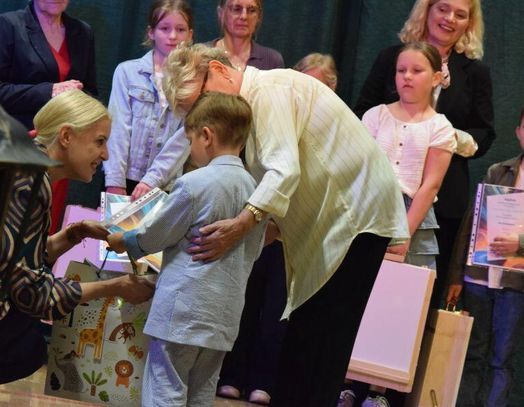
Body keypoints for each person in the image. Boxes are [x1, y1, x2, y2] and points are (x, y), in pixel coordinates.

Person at [163, 43, 409, 407]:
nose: (203, 114)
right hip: (332, 223)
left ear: (218, 70)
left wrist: (241, 226)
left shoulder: (269, 91)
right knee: (304, 344)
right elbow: (277, 198)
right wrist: (238, 241)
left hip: (355, 218)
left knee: (324, 344)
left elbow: (284, 171)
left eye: (201, 98)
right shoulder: (248, 111)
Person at [0, 90, 154, 386]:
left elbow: (17, 263)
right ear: (66, 136)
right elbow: (32, 294)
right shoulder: (28, 181)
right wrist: (114, 287)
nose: (106, 155)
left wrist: (76, 234)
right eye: (99, 141)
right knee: (28, 347)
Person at [106, 92, 266, 407]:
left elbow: (153, 236)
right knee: (201, 394)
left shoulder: (193, 184)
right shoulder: (257, 194)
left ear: (206, 136)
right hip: (224, 316)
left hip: (180, 314)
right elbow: (255, 249)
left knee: (165, 388)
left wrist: (123, 240)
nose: (190, 149)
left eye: (190, 140)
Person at [354, 0, 495, 308]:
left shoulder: (475, 72)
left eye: (460, 14)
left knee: (410, 301)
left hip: (441, 203)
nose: (450, 18)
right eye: (443, 9)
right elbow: (362, 110)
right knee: (359, 289)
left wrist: (446, 138)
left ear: (469, 23)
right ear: (427, 10)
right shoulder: (390, 57)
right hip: (378, 198)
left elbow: (485, 133)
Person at [347, 42, 456, 407]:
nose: (407, 77)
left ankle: (381, 392)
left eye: (417, 71)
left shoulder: (440, 127)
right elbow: (361, 170)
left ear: (436, 78)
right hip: (370, 210)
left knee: (399, 307)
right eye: (401, 70)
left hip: (412, 217)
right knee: (359, 296)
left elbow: (430, 185)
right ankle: (350, 384)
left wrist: (403, 231)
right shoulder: (376, 116)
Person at [205, 2, 285, 404]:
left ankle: (256, 376)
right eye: (235, 7)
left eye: (251, 9)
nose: (242, 15)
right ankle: (224, 371)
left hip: (259, 180)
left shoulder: (271, 63)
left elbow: (278, 153)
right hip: (221, 175)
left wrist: (250, 217)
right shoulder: (206, 56)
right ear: (221, 11)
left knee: (263, 288)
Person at [0, 0, 99, 235]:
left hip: (61, 154)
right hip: (15, 151)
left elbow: (90, 92)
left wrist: (77, 98)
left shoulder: (83, 32)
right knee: (5, 234)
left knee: (43, 229)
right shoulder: (9, 25)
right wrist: (50, 91)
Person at [446, 108, 524, 406]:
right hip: (479, 278)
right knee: (472, 354)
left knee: (502, 359)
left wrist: (519, 245)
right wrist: (456, 276)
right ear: (518, 132)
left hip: (516, 286)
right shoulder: (497, 171)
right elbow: (471, 225)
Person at [103, 0, 193, 201]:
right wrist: (115, 181)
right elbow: (118, 128)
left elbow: (184, 137)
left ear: (190, 35)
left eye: (180, 30)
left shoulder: (194, 81)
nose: (172, 36)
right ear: (151, 32)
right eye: (164, 28)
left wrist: (152, 180)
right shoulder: (127, 72)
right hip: (125, 178)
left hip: (165, 184)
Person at [207, 0, 284, 72]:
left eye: (252, 10)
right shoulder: (203, 56)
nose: (244, 16)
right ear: (221, 13)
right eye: (236, 9)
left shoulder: (272, 61)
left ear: (259, 16)